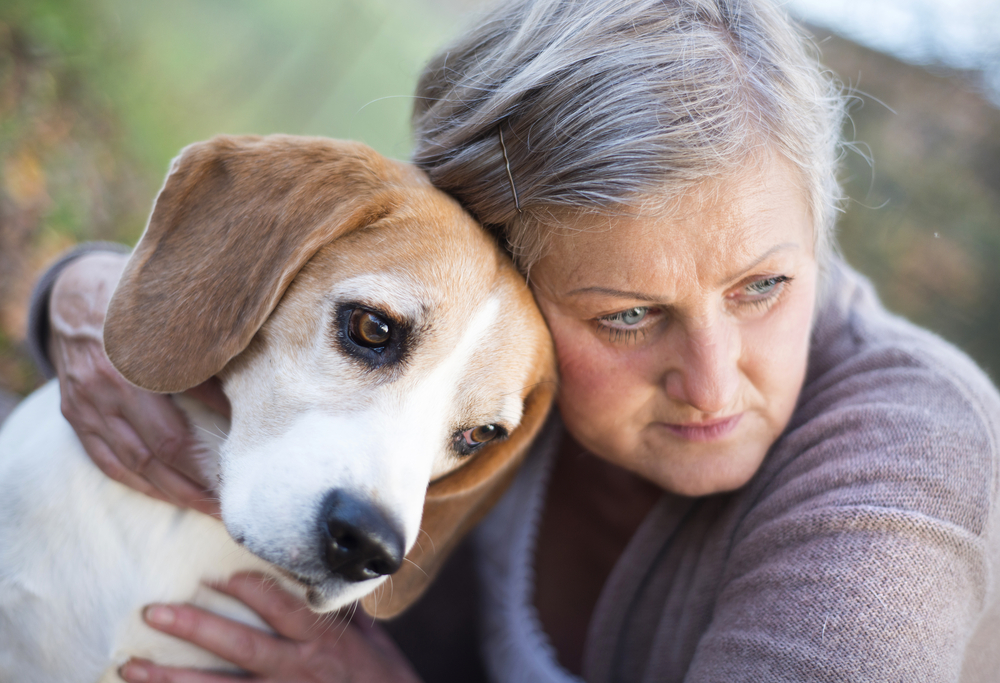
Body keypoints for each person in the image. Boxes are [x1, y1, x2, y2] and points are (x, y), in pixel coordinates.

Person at [26, 0, 1000, 681]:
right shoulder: (472, 325)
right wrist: (87, 291)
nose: (713, 380)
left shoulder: (908, 467)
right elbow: (337, 250)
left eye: (765, 285)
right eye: (627, 312)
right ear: (504, 263)